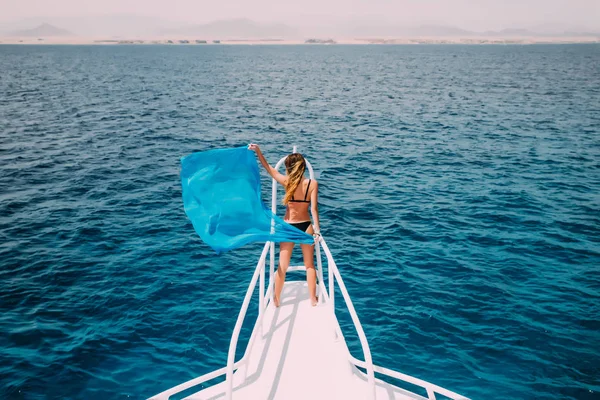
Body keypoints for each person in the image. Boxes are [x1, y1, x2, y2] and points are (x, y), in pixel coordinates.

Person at [248, 144, 321, 307]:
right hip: (306, 227)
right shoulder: (312, 184)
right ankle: (313, 299)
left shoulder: (287, 182)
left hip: (289, 226)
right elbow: (314, 209)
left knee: (282, 266)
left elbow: (270, 170)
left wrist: (258, 151)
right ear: (303, 167)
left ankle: (276, 299)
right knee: (310, 265)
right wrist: (317, 229)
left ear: (289, 167)